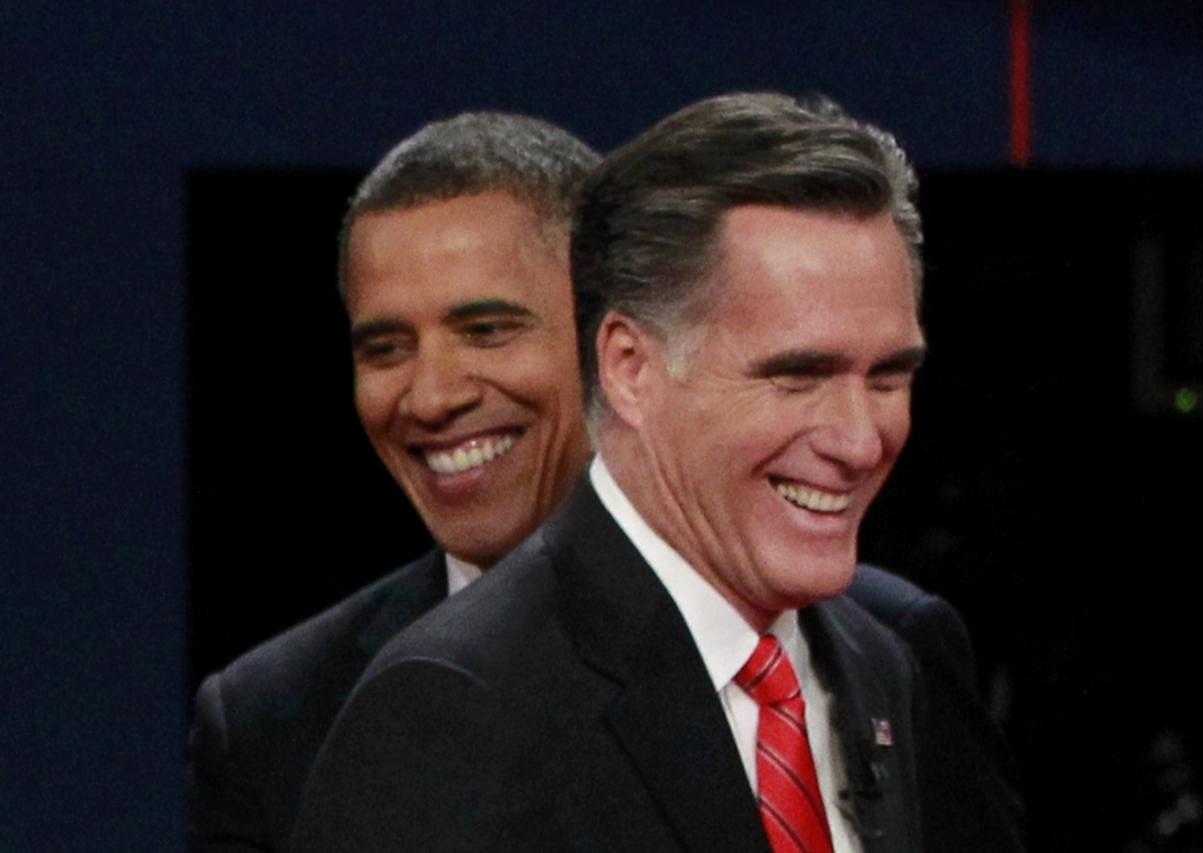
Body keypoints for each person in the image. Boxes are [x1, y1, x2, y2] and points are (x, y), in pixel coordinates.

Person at [291, 92, 1025, 852]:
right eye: (797, 376)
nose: (859, 440)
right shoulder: (452, 705)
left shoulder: (881, 667)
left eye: (886, 378)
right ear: (630, 367)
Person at [186, 111, 599, 851]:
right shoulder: (271, 720)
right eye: (386, 347)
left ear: (617, 342)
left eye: (487, 331)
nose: (432, 396)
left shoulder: (826, 648)